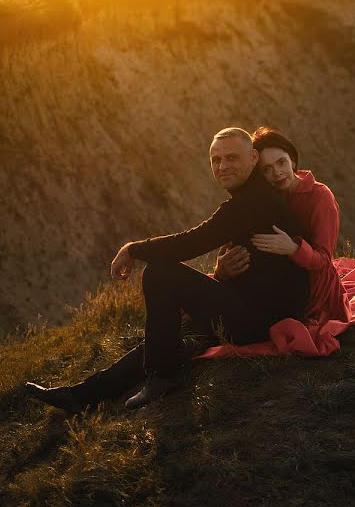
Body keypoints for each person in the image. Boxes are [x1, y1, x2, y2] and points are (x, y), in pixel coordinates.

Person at [25, 127, 309, 412]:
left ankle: (163, 378)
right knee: (163, 340)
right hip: (250, 305)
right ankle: (82, 395)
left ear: (253, 158)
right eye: (216, 160)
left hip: (264, 320)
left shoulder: (253, 201)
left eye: (232, 158)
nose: (223, 166)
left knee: (160, 273)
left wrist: (133, 249)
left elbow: (192, 242)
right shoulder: (252, 197)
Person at [213, 127, 350, 329]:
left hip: (312, 288)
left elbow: (323, 261)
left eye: (281, 162)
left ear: (292, 160)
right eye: (266, 169)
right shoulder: (264, 196)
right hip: (273, 280)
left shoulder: (320, 197)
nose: (276, 173)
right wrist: (221, 265)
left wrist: (293, 248)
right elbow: (236, 233)